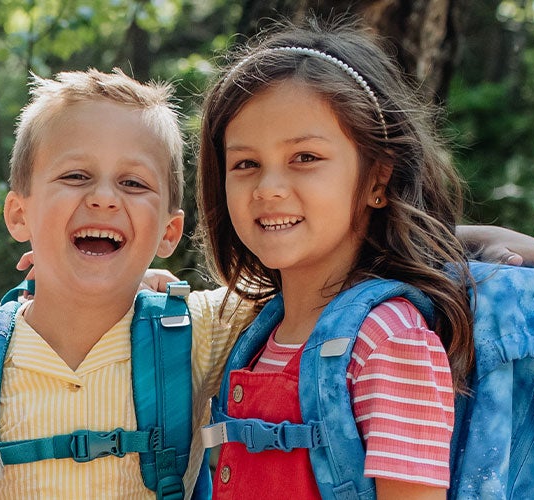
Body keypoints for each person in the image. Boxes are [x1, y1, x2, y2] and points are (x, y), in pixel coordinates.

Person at [0, 67, 534, 499]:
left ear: (170, 232)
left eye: (133, 183)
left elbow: (325, 253)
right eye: (74, 176)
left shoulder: (204, 332)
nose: (102, 198)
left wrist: (470, 239)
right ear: (18, 214)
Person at [193, 22, 475, 498]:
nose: (268, 188)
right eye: (246, 164)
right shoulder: (254, 331)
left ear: (378, 180)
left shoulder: (389, 340)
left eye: (305, 157)